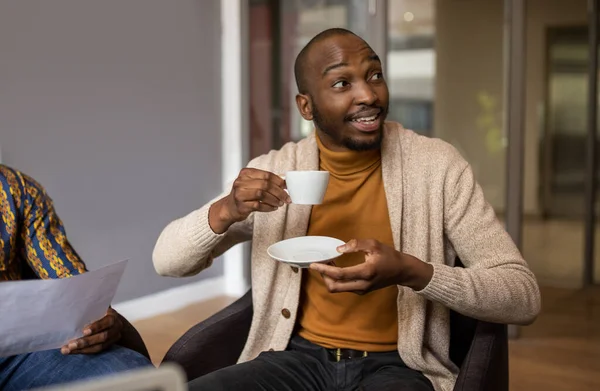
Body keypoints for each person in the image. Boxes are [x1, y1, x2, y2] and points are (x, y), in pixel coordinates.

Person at [152, 28, 541, 391]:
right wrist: (226, 209)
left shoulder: (437, 167)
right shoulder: (275, 170)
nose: (369, 95)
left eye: (374, 75)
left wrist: (412, 271)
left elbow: (522, 296)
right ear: (306, 106)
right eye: (342, 83)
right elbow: (166, 261)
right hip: (292, 360)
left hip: (397, 367)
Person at [0, 165, 152, 390]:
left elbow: (74, 286)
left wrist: (94, 317)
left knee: (135, 378)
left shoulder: (16, 189)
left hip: (16, 348)